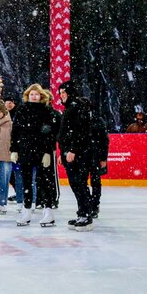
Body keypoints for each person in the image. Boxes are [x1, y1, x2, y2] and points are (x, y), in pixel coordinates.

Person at [11, 84, 60, 227]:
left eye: (36, 94)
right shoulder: (22, 110)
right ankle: (26, 211)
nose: (34, 96)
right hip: (25, 151)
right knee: (26, 182)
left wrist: (47, 151)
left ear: (41, 96)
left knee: (44, 181)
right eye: (31, 94)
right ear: (27, 95)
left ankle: (48, 210)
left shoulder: (46, 111)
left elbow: (50, 133)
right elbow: (16, 131)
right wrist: (14, 149)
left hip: (41, 150)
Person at [57, 80, 96, 231]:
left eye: (64, 92)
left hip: (79, 154)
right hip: (70, 153)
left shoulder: (77, 107)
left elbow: (80, 132)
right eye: (60, 93)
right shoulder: (69, 108)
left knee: (80, 183)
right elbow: (65, 134)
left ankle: (86, 214)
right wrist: (62, 152)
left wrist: (73, 150)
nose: (62, 95)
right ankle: (82, 212)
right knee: (75, 184)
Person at [86, 98, 109, 220]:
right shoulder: (79, 120)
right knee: (82, 182)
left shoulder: (98, 121)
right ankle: (88, 204)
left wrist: (103, 158)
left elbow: (104, 141)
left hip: (95, 156)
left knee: (95, 181)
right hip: (83, 157)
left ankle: (94, 205)